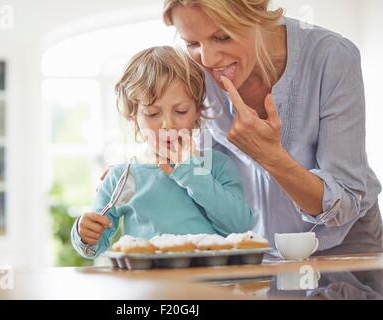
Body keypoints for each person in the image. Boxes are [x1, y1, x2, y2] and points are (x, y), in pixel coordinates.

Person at [162, 0, 382, 256]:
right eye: (192, 43)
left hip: (344, 244)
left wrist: (271, 156)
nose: (208, 59)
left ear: (258, 9)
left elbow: (344, 203)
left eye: (222, 37)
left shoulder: (332, 57)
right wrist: (138, 175)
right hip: (259, 246)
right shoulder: (193, 69)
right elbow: (203, 169)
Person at [71, 46, 253, 258]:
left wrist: (191, 172)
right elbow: (94, 246)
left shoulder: (217, 165)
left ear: (197, 112)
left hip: (209, 287)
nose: (167, 124)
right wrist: (83, 233)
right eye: (152, 113)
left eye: (180, 111)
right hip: (149, 287)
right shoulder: (122, 177)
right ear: (134, 118)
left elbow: (238, 227)